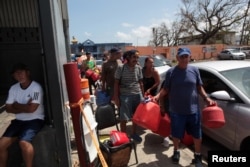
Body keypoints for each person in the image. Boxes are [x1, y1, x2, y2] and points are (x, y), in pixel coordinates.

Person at [158, 48, 215, 167]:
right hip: (176, 111)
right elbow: (166, 89)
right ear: (177, 58)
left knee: (197, 135)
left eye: (186, 56)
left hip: (193, 110)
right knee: (176, 134)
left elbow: (199, 87)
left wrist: (206, 98)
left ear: (189, 57)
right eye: (182, 57)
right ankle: (176, 151)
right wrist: (157, 96)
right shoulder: (171, 72)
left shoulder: (194, 70)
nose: (184, 59)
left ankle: (198, 155)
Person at [0, 63, 45, 167]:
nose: (19, 75)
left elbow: (32, 109)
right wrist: (25, 107)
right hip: (18, 121)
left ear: (27, 73)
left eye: (21, 72)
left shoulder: (36, 88)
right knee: (1, 144)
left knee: (23, 142)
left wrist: (16, 105)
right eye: (16, 74)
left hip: (35, 120)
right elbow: (8, 108)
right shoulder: (13, 88)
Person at [113, 50, 144, 142]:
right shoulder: (121, 68)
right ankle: (123, 137)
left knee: (136, 117)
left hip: (137, 95)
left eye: (137, 57)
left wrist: (143, 96)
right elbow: (116, 83)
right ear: (128, 58)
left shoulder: (138, 68)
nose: (136, 59)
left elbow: (140, 83)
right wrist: (116, 98)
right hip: (125, 96)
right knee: (124, 118)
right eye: (134, 57)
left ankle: (134, 133)